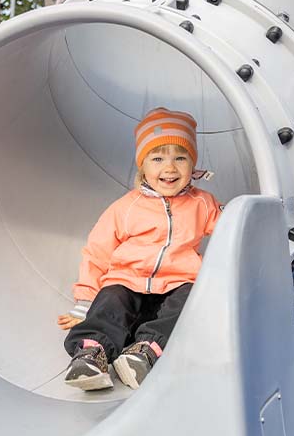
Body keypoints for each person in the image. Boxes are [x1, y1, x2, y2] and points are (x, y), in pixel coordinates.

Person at [57, 108, 222, 392]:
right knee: (111, 300)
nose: (169, 168)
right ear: (142, 165)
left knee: (190, 303)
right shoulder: (127, 206)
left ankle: (143, 353)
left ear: (192, 164)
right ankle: (91, 354)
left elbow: (228, 233)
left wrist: (238, 217)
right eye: (157, 158)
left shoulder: (202, 203)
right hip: (128, 280)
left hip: (176, 284)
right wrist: (84, 300)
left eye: (180, 158)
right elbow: (98, 251)